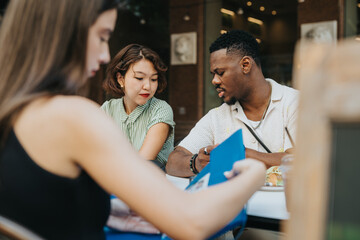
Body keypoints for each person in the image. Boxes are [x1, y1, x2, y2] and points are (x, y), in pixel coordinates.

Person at [0, 1, 266, 240]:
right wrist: (252, 177)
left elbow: (45, 203)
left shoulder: (13, 111)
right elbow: (192, 223)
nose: (105, 55)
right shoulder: (74, 115)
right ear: (65, 34)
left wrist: (105, 207)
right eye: (102, 37)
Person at [166, 30, 298, 178]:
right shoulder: (217, 116)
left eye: (220, 72)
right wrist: (196, 162)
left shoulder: (295, 103)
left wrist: (245, 155)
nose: (214, 81)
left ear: (246, 65)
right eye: (213, 74)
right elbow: (173, 162)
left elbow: (304, 161)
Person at [101, 44, 174, 170]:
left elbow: (142, 164)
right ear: (120, 79)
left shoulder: (161, 109)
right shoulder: (108, 109)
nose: (148, 86)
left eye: (154, 79)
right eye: (139, 78)